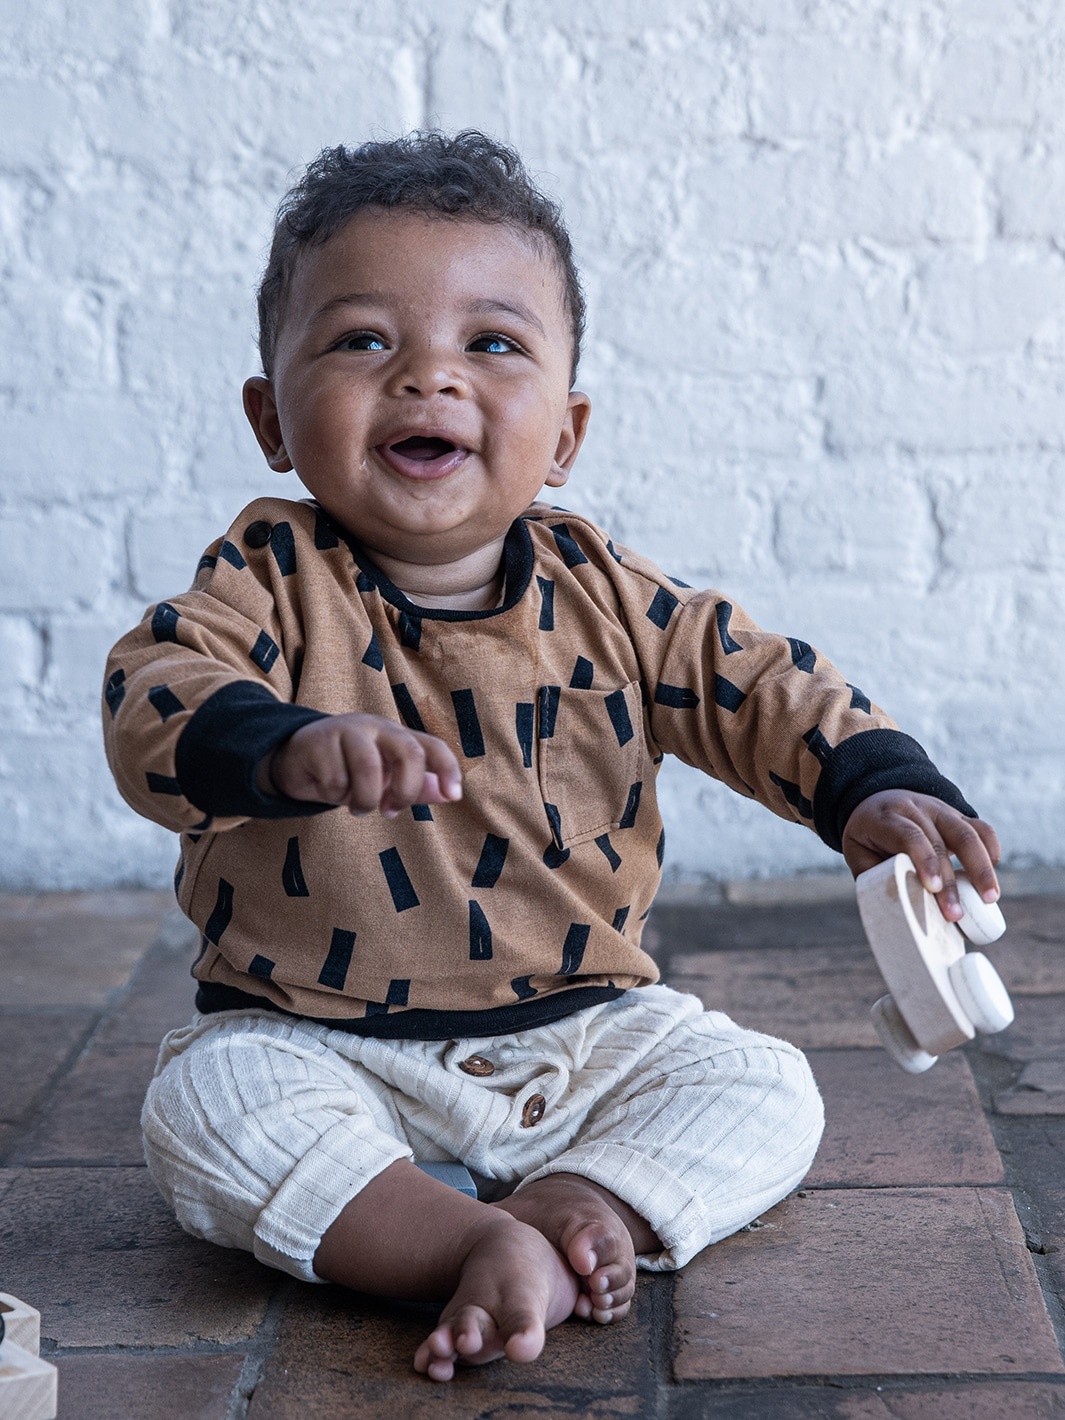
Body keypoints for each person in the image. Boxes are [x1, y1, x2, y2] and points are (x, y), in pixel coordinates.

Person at [101, 131, 1001, 1383]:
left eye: (491, 343)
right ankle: (460, 1239)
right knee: (205, 1111)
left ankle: (581, 1198)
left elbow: (761, 687)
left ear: (565, 433)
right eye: (362, 340)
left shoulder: (607, 594)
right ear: (271, 417)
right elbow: (156, 694)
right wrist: (283, 743)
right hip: (314, 1038)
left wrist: (877, 786)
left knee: (768, 1086)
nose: (428, 374)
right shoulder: (266, 580)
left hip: (585, 1037)